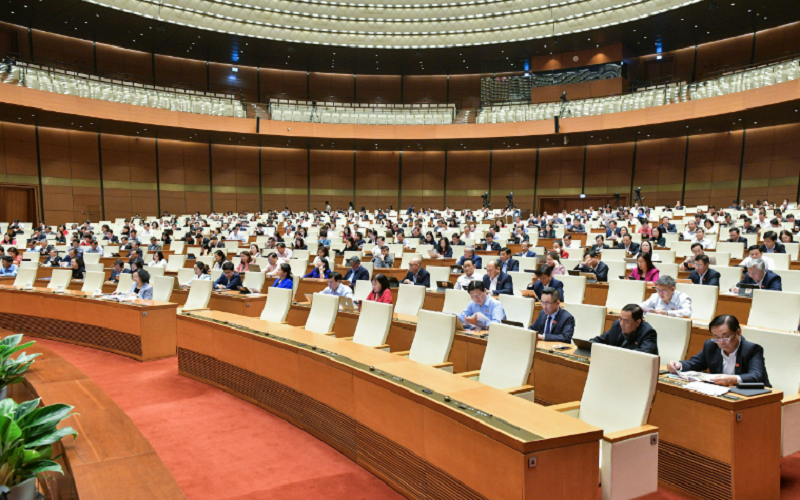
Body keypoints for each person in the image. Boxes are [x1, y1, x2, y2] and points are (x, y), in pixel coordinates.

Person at [667, 315, 770, 386]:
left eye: (725, 338)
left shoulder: (752, 350)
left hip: (756, 397)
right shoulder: (711, 345)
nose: (720, 342)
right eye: (716, 337)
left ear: (738, 333)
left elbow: (756, 376)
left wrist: (731, 379)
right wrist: (678, 365)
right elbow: (696, 363)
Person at [590, 304, 658, 354]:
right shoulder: (617, 325)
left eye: (626, 321)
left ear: (637, 322)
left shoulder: (648, 332)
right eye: (620, 319)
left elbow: (643, 356)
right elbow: (596, 341)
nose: (621, 324)